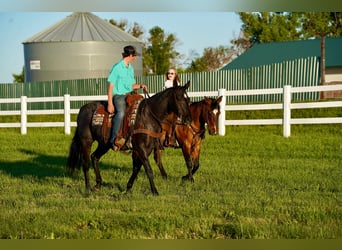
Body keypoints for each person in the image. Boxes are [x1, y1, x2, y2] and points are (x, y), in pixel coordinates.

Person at [107, 45, 147, 151]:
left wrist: (140, 86)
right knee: (121, 113)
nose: (135, 58)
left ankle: (132, 137)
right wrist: (110, 103)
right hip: (119, 96)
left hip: (129, 95)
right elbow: (111, 86)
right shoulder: (117, 67)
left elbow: (131, 86)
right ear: (129, 55)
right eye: (134, 56)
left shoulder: (130, 68)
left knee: (140, 110)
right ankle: (113, 139)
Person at [163, 68, 181, 147]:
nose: (170, 75)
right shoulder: (167, 83)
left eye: (172, 73)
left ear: (175, 75)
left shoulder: (177, 83)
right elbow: (170, 93)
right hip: (168, 103)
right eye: (168, 73)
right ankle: (169, 137)